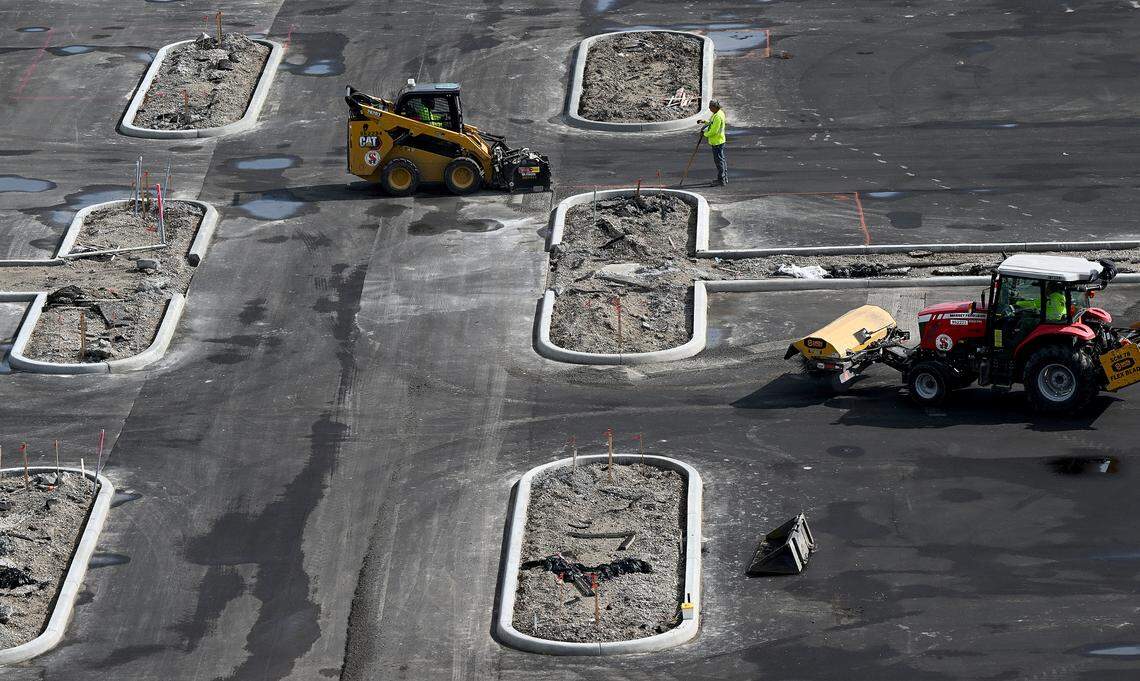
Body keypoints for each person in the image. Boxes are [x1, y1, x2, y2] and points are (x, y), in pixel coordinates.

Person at [700, 100, 727, 185]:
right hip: (719, 141)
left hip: (717, 142)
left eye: (710, 107)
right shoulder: (718, 114)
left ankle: (721, 180)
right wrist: (704, 122)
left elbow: (714, 131)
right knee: (721, 160)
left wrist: (704, 134)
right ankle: (724, 178)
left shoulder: (718, 116)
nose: (709, 108)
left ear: (715, 107)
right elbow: (712, 123)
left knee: (719, 161)